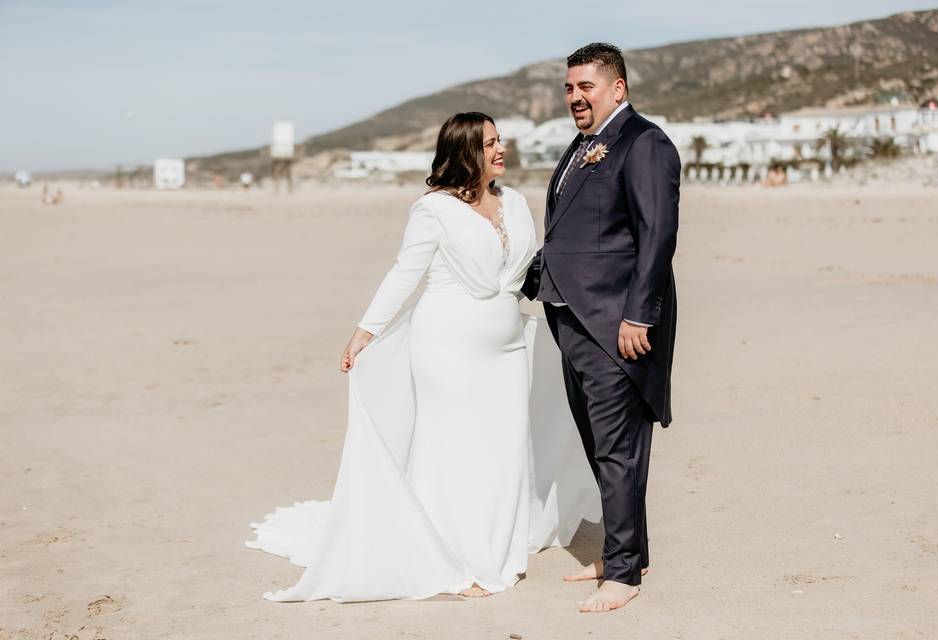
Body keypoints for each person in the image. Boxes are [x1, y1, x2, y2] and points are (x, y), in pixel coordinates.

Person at [246, 112, 600, 602]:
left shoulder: (515, 202)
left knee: (503, 450)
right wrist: (364, 332)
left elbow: (531, 270)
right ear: (464, 152)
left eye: (500, 141)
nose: (501, 150)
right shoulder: (432, 210)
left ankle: (497, 548)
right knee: (454, 450)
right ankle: (457, 558)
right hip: (446, 349)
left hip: (507, 350)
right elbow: (404, 273)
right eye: (489, 143)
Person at [522, 43, 681, 613]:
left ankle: (622, 575)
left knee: (618, 449)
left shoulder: (644, 142)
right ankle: (627, 550)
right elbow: (576, 230)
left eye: (585, 86)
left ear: (618, 88)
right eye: (568, 88)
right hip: (572, 319)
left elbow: (656, 234)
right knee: (598, 445)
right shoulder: (582, 146)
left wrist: (639, 313)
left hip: (616, 324)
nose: (574, 98)